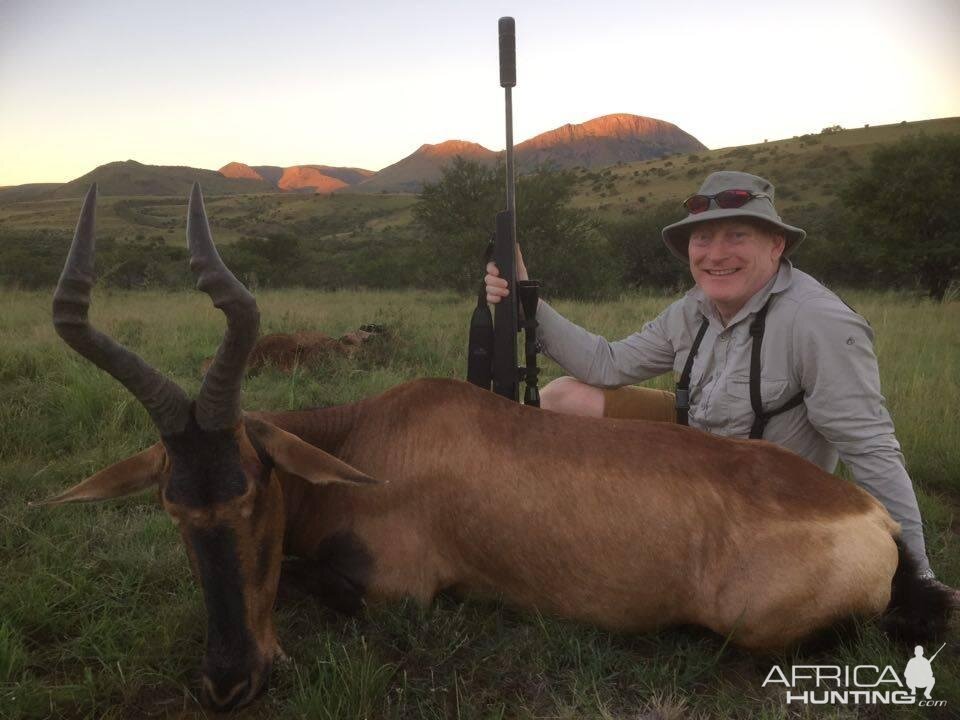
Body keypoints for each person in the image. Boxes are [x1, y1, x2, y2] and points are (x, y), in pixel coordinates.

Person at [485, 170, 957, 595]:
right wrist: (526, 297)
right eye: (703, 239)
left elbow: (870, 447)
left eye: (737, 236)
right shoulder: (695, 306)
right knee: (566, 395)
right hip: (696, 454)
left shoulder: (821, 323)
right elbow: (607, 364)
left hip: (758, 494)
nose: (716, 254)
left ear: (776, 246)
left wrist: (918, 576)